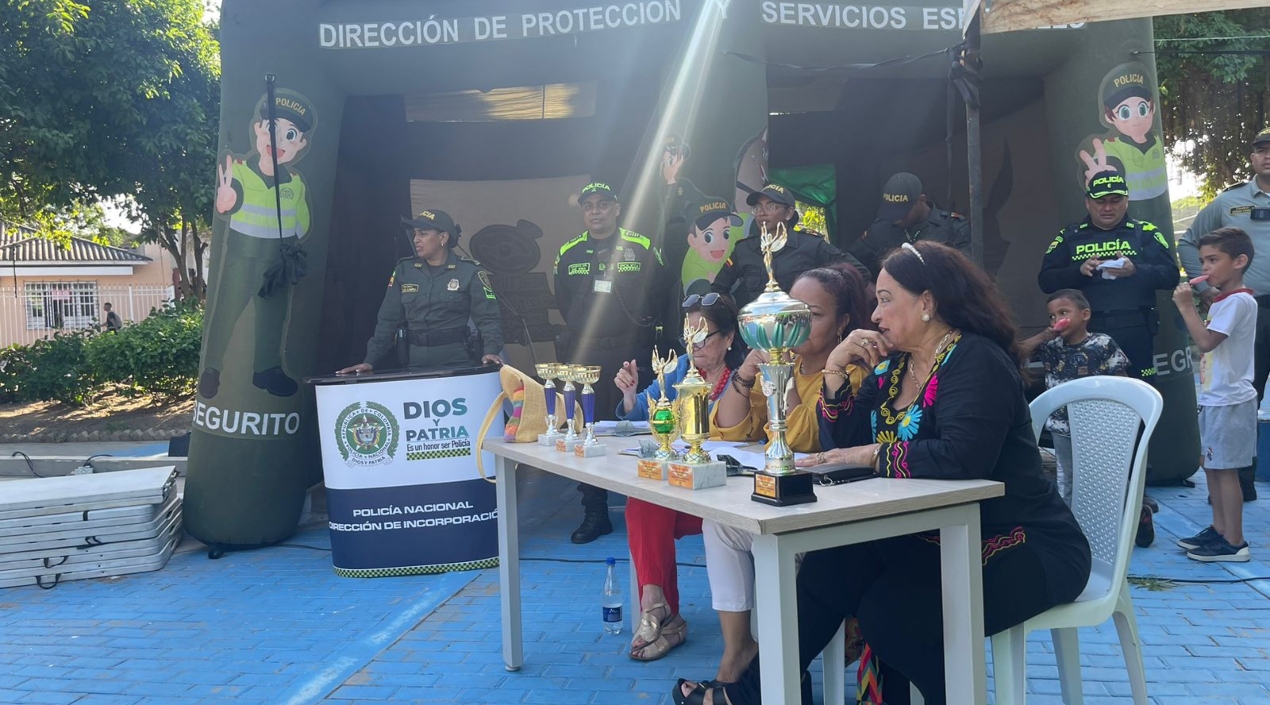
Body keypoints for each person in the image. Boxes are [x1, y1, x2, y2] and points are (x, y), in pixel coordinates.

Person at [676, 242, 1092, 705]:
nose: (874, 315)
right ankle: (756, 694)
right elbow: (840, 446)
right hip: (929, 535)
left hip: (1022, 542)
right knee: (829, 563)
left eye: (886, 299)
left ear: (928, 302)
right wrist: (835, 373)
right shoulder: (894, 367)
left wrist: (871, 455)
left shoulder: (975, 360)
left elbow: (961, 458)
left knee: (889, 614)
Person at [695, 262, 872, 687]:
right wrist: (746, 373)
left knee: (776, 542)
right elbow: (729, 430)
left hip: (831, 510)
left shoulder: (848, 369)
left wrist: (785, 381)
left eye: (812, 316)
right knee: (720, 524)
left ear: (842, 323)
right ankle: (740, 651)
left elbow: (804, 438)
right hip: (778, 498)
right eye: (792, 314)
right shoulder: (781, 362)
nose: (795, 326)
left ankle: (778, 667)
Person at [614, 292, 743, 662]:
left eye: (703, 337)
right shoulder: (680, 366)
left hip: (730, 494)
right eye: (688, 336)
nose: (694, 346)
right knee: (644, 499)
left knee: (649, 506)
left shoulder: (743, 373)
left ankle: (664, 619)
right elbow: (640, 410)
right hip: (687, 488)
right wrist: (628, 395)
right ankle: (656, 604)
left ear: (729, 337)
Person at [554, 181, 668, 544]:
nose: (596, 212)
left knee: (638, 425)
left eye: (603, 204)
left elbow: (662, 295)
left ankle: (650, 505)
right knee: (587, 429)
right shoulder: (568, 253)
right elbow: (563, 302)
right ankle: (595, 511)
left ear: (617, 208)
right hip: (587, 355)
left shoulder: (641, 246)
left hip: (630, 350)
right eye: (589, 206)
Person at [201, 89, 315, 400]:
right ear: (258, 130)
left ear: (300, 144)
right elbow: (228, 201)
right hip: (242, 255)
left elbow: (302, 227)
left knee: (272, 318)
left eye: (290, 135)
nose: (279, 142)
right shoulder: (237, 170)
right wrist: (225, 203)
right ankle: (211, 369)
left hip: (275, 263)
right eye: (273, 129)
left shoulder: (295, 184)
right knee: (226, 313)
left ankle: (266, 370)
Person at [1178, 126, 1270, 501]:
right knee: (1247, 392)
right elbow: (1188, 242)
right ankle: (1238, 484)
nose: (1268, 155)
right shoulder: (1229, 203)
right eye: (1261, 149)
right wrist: (1204, 289)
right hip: (1255, 309)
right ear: (1252, 157)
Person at [1038, 170, 1178, 382]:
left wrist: (1136, 270)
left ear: (1126, 201)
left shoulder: (1145, 232)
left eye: (1115, 201)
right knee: (1090, 393)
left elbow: (1171, 276)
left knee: (1139, 393)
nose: (1107, 208)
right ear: (1088, 203)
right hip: (1084, 332)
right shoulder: (1070, 235)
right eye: (1100, 201)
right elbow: (1045, 280)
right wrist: (1079, 271)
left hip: (1135, 330)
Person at [1173, 227, 1257, 562]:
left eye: (1213, 260)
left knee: (1226, 470)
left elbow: (1206, 342)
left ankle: (1234, 541)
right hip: (1214, 396)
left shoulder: (1239, 301)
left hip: (1231, 400)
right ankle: (1218, 529)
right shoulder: (1224, 301)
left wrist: (1185, 307)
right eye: (1202, 261)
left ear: (1239, 261)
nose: (1205, 268)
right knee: (1210, 465)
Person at [337, 209, 503, 375]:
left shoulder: (469, 271)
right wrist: (370, 360)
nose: (416, 239)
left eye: (423, 234)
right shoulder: (404, 270)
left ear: (443, 238)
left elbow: (488, 318)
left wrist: (490, 351)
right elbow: (388, 320)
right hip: (414, 364)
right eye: (415, 234)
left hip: (458, 362)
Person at [1019, 289, 1131, 505]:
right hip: (1063, 427)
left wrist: (1120, 419)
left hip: (1100, 427)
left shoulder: (1102, 343)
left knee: (1109, 477)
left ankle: (1130, 512)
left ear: (1085, 314)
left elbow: (1122, 382)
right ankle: (1072, 525)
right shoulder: (1050, 347)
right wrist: (1043, 336)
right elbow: (1015, 353)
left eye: (1063, 312)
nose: (1057, 320)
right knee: (1068, 479)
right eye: (1052, 316)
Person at [711, 183, 867, 308]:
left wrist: (828, 306)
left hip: (804, 334)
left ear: (788, 213)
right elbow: (718, 288)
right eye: (757, 207)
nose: (762, 213)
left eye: (771, 207)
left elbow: (860, 273)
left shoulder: (811, 245)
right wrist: (736, 319)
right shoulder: (744, 249)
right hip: (759, 335)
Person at [849, 172, 970, 280]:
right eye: (891, 212)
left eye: (902, 212)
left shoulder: (953, 228)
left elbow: (969, 273)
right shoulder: (881, 229)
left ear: (921, 200)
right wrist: (867, 286)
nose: (896, 219)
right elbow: (850, 262)